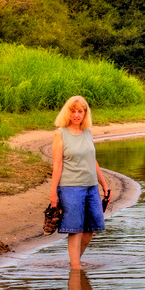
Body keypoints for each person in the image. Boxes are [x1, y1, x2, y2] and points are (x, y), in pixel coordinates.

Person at [51, 95, 110, 270]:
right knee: (75, 229)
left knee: (91, 228)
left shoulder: (87, 132)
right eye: (73, 111)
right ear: (67, 113)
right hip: (70, 187)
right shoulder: (60, 133)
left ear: (85, 114)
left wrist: (103, 184)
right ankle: (76, 267)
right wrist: (53, 193)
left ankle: (74, 261)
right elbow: (57, 164)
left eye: (80, 112)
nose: (77, 115)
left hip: (91, 187)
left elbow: (93, 160)